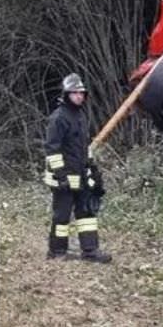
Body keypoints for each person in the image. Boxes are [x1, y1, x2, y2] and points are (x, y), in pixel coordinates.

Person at [43, 72, 112, 263]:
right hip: (63, 178)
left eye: (81, 93)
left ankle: (91, 251)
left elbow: (83, 146)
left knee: (87, 214)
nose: (79, 96)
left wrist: (92, 168)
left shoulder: (80, 116)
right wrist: (61, 175)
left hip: (80, 175)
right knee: (62, 217)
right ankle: (57, 252)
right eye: (75, 93)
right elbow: (52, 148)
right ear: (66, 95)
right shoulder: (58, 118)